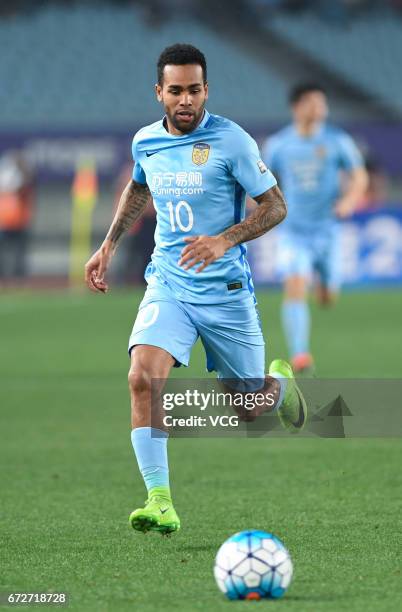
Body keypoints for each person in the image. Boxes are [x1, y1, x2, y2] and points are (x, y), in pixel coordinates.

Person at [85, 44, 307, 536]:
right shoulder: (146, 142)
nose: (186, 99)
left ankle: (280, 385)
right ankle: (159, 500)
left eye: (194, 90)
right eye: (176, 90)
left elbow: (275, 207)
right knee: (142, 376)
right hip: (169, 282)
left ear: (206, 90)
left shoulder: (233, 141)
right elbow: (139, 187)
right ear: (159, 92)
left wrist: (223, 240)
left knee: (249, 410)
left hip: (226, 291)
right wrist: (108, 245)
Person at [263, 83, 368, 374]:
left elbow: (359, 176)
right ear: (297, 107)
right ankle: (300, 355)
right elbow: (261, 183)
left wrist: (349, 200)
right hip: (294, 231)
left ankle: (324, 283)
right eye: (313, 103)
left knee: (326, 298)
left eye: (322, 103)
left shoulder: (337, 140)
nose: (321, 109)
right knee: (295, 285)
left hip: (328, 231)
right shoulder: (278, 145)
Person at [0, 151, 35, 280]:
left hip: (20, 224)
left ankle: (19, 279)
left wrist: (20, 165)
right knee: (4, 254)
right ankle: (4, 277)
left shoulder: (23, 188)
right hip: (4, 224)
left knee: (20, 254)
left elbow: (27, 180)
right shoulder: (4, 187)